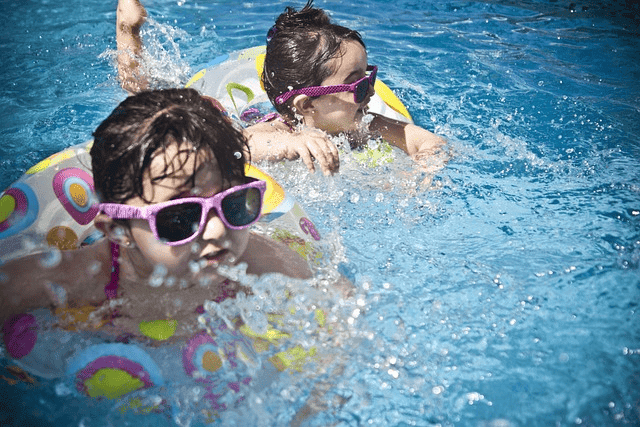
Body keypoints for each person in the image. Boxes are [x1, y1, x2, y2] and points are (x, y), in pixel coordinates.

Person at [0, 88, 312, 337]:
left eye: (233, 204)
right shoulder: (73, 280)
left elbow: (337, 312)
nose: (217, 231)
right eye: (180, 217)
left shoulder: (261, 264)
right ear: (116, 231)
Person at [115, 0, 447, 176]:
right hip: (240, 116)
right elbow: (238, 149)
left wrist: (425, 169)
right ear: (305, 106)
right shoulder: (277, 130)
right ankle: (128, 29)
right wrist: (289, 144)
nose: (370, 93)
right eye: (356, 86)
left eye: (369, 78)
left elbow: (426, 141)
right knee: (148, 102)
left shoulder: (364, 125)